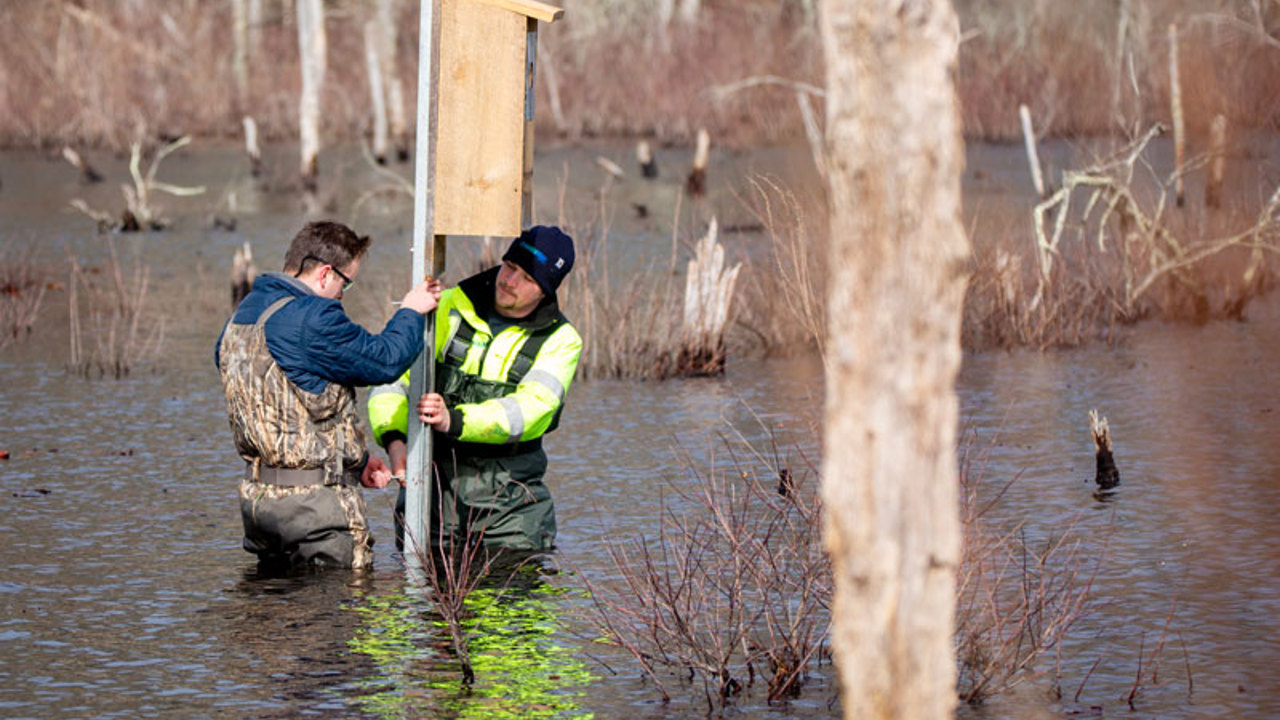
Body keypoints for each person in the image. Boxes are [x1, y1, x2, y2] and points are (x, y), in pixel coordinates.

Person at [215, 221, 442, 570]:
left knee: (271, 619)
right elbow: (385, 360)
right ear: (324, 274)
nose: (341, 294)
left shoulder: (240, 319)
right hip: (317, 516)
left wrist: (358, 461)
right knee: (335, 620)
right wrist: (411, 310)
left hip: (260, 507)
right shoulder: (312, 317)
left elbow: (288, 405)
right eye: (345, 283)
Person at [368, 225, 582, 553]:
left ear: (545, 290)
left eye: (527, 278)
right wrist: (395, 441)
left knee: (512, 602)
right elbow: (390, 376)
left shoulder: (561, 341)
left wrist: (453, 419)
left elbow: (531, 411)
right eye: (510, 267)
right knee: (419, 601)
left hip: (509, 512)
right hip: (429, 499)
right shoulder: (446, 305)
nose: (509, 281)